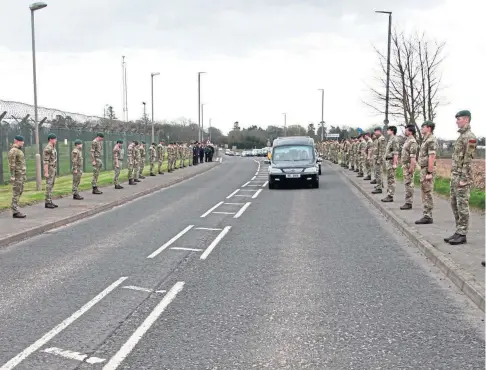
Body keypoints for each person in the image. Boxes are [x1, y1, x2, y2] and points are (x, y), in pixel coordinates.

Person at [444, 110, 477, 245]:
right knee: (454, 203)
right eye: (457, 119)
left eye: (459, 119)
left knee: (462, 205)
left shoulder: (470, 137)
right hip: (455, 175)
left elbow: (468, 160)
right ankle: (458, 231)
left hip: (462, 177)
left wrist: (464, 178)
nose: (457, 121)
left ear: (467, 119)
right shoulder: (461, 136)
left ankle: (462, 233)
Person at [415, 121, 438, 224]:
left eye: (423, 127)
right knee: (424, 191)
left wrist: (429, 172)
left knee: (427, 192)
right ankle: (426, 214)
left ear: (429, 128)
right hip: (423, 168)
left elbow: (432, 157)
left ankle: (428, 215)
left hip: (427, 169)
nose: (421, 128)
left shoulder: (431, 140)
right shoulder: (425, 140)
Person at [400, 125, 418, 210]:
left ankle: (409, 202)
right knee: (407, 183)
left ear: (410, 131)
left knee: (409, 184)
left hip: (408, 165)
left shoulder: (412, 142)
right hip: (405, 165)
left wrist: (411, 167)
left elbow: (413, 157)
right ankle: (407, 201)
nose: (405, 131)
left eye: (406, 130)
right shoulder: (407, 140)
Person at [8, 135, 27, 218]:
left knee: (20, 191)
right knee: (16, 192)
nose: (23, 142)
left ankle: (15, 207)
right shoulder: (14, 151)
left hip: (21, 175)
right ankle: (15, 211)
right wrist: (12, 176)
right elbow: (12, 164)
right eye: (21, 141)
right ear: (17, 141)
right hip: (17, 175)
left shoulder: (19, 150)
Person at [381, 126, 399, 202]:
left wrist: (395, 163)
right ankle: (389, 194)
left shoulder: (394, 139)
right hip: (388, 161)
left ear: (392, 131)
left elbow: (395, 152)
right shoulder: (390, 139)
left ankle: (390, 195)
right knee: (389, 178)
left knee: (391, 179)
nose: (387, 131)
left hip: (391, 161)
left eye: (388, 130)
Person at [44, 133, 58, 208]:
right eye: (55, 139)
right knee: (49, 185)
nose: (56, 140)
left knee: (51, 184)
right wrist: (46, 172)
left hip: (53, 168)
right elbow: (46, 161)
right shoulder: (48, 148)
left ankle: (50, 200)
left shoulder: (53, 147)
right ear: (50, 139)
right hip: (50, 168)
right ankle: (47, 202)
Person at [371, 128, 386, 194]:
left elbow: (382, 151)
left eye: (375, 132)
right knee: (378, 173)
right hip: (376, 158)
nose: (374, 133)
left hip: (378, 159)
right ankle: (379, 185)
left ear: (379, 131)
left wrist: (379, 160)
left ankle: (379, 188)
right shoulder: (378, 139)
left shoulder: (381, 139)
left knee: (378, 173)